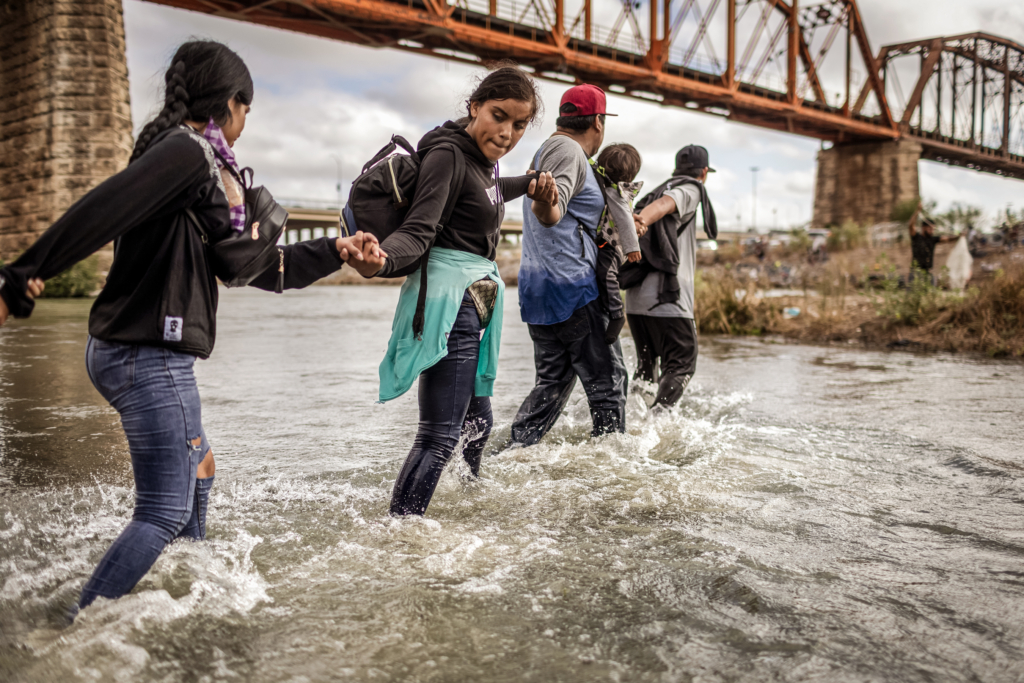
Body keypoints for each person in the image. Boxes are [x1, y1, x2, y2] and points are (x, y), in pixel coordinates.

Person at [0, 41, 385, 614]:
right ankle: (72, 632)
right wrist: (23, 274)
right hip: (148, 354)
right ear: (232, 103)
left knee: (200, 472)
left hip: (142, 351)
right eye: (247, 110)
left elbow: (258, 269)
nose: (246, 123)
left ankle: (188, 586)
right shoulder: (187, 154)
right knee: (164, 508)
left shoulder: (203, 176)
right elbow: (101, 207)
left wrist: (336, 250)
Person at [346, 65, 555, 516]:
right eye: (499, 116)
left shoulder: (484, 164)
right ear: (474, 106)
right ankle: (400, 535)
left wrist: (531, 183)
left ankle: (468, 505)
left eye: (519, 124)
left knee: (478, 422)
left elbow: (489, 191)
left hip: (475, 300)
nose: (507, 132)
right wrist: (380, 260)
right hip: (450, 303)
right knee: (439, 436)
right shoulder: (448, 155)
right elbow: (420, 231)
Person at [508, 84, 630, 447]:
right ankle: (616, 471)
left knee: (552, 387)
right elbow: (549, 208)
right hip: (575, 292)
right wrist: (546, 206)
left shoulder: (547, 149)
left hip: (540, 294)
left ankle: (514, 453)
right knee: (608, 383)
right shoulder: (568, 150)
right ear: (597, 121)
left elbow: (560, 211)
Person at [620, 145, 717, 410]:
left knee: (647, 366)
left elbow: (660, 202)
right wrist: (640, 221)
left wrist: (637, 222)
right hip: (668, 300)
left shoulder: (661, 186)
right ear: (704, 172)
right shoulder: (692, 188)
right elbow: (663, 206)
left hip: (636, 302)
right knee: (683, 364)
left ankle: (633, 421)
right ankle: (655, 424)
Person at [592, 143, 646, 343]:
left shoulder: (614, 192)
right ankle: (611, 309)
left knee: (607, 274)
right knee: (604, 275)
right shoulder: (616, 190)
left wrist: (632, 248)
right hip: (610, 242)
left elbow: (624, 220)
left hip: (613, 245)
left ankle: (616, 314)